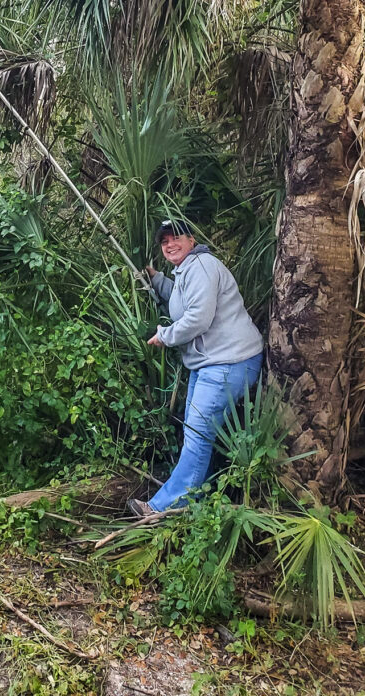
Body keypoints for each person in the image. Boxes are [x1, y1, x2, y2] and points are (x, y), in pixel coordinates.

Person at [127, 219, 263, 517]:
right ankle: (189, 497)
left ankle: (162, 508)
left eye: (176, 238)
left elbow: (199, 317)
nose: (170, 244)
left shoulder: (202, 266)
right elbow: (181, 297)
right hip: (211, 362)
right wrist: (156, 279)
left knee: (198, 433)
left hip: (230, 361)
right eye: (164, 242)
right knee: (194, 431)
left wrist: (165, 335)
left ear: (191, 239)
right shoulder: (188, 270)